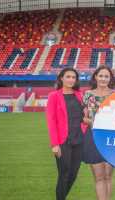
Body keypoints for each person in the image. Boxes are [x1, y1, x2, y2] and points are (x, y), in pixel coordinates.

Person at [46, 68, 87, 200]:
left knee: (73, 174)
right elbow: (51, 121)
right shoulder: (54, 96)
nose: (71, 80)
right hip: (63, 141)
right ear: (61, 78)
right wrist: (55, 144)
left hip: (79, 139)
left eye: (73, 77)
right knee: (64, 174)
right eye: (68, 76)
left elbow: (87, 113)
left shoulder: (80, 95)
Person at [82, 65, 115, 200]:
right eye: (101, 75)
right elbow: (84, 117)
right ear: (95, 77)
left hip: (111, 138)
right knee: (99, 177)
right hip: (93, 137)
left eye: (106, 76)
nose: (103, 78)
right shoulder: (88, 95)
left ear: (110, 79)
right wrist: (92, 123)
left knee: (108, 176)